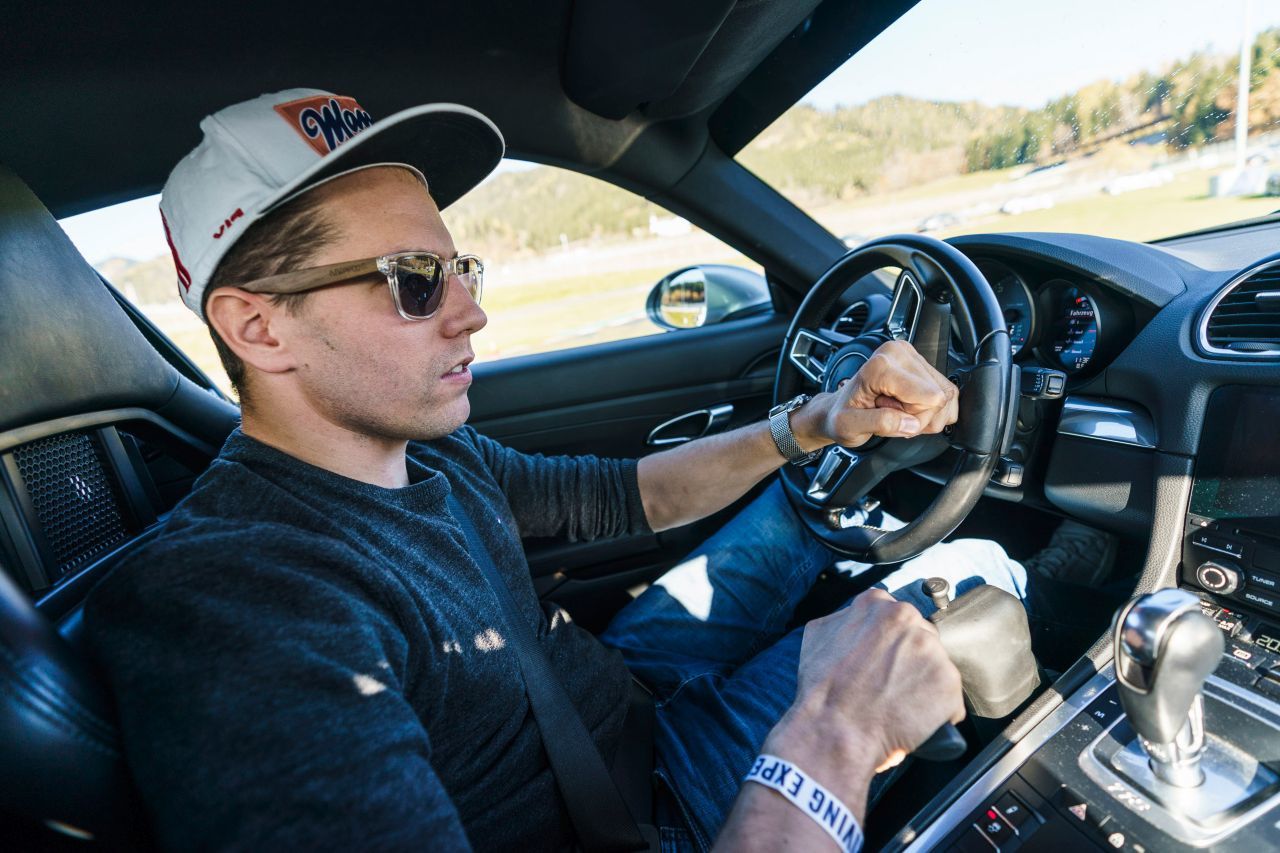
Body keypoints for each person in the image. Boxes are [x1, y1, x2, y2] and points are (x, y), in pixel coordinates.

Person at [85, 89, 1085, 852]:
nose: (468, 311)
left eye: (458, 270)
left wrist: (818, 421)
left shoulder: (427, 451)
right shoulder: (231, 603)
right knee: (982, 567)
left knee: (801, 506)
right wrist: (829, 735)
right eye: (411, 282)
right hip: (637, 810)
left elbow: (622, 497)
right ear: (257, 325)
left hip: (621, 699)